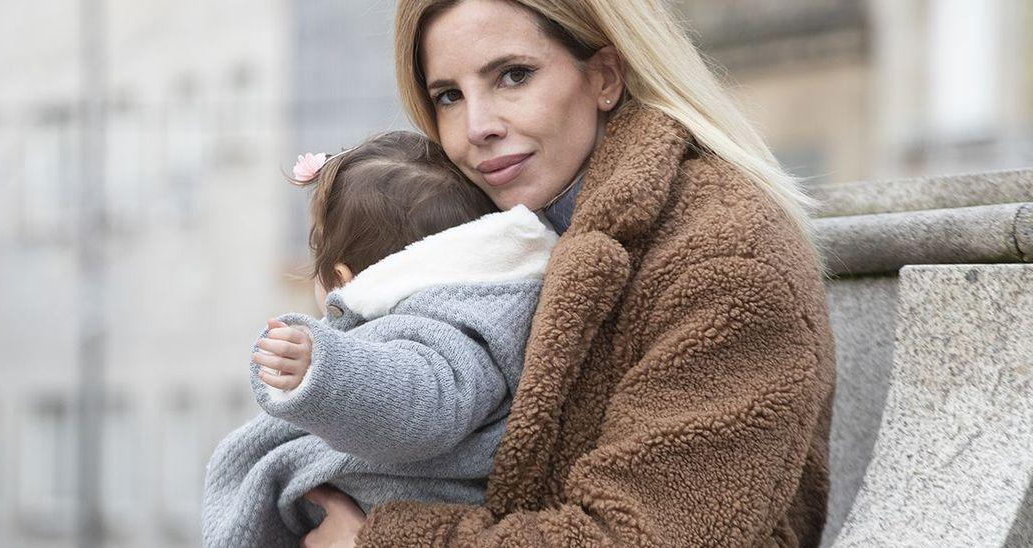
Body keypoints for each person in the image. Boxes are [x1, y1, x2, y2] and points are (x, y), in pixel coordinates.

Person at [300, 1, 836, 546]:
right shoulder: (511, 242)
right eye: (449, 96)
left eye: (513, 76)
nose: (477, 127)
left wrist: (376, 541)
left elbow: (640, 536)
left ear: (605, 76)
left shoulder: (725, 258)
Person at [201, 130, 560, 547]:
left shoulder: (446, 323)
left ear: (341, 278)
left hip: (412, 500)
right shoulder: (480, 302)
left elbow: (424, 396)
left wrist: (327, 371)